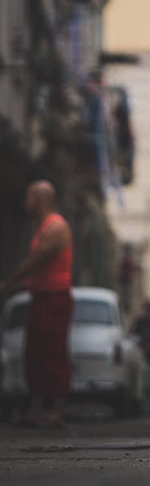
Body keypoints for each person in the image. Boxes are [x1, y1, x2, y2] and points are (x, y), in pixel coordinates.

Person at [0, 180, 73, 427]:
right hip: (41, 295)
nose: (26, 202)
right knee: (36, 353)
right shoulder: (43, 226)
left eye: (29, 197)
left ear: (40, 199)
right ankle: (36, 409)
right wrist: (20, 285)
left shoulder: (56, 227)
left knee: (53, 352)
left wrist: (7, 283)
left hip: (55, 298)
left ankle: (56, 411)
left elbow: (37, 260)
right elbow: (39, 270)